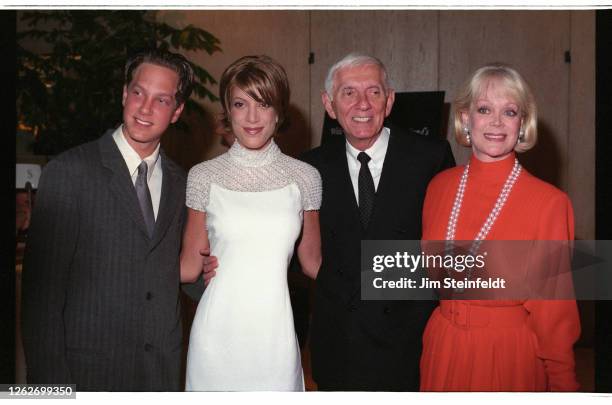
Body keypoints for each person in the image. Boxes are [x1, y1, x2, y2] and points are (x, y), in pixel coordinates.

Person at [21, 49, 193, 391]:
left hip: (160, 373)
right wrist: (50, 393)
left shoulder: (184, 183)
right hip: (86, 376)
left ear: (177, 111)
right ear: (123, 94)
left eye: (161, 100)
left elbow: (176, 271)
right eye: (138, 93)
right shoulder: (69, 172)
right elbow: (40, 300)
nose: (145, 109)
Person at [419, 63, 580, 391]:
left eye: (509, 111)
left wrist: (565, 387)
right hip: (442, 345)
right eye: (484, 109)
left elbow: (555, 313)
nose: (495, 122)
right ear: (466, 118)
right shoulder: (438, 186)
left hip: (508, 355)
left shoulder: (550, 202)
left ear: (522, 123)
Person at [301, 53, 455, 391]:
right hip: (339, 347)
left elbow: (448, 253)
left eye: (373, 91)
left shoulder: (431, 156)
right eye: (348, 92)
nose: (363, 104)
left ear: (390, 100)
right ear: (329, 104)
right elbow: (302, 253)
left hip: (409, 344)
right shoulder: (309, 168)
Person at [180, 55, 322, 391]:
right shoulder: (202, 176)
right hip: (215, 338)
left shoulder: (305, 177)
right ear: (228, 111)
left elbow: (314, 262)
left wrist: (389, 274)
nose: (252, 117)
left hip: (276, 338)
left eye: (264, 103)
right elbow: (187, 267)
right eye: (241, 104)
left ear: (279, 111)